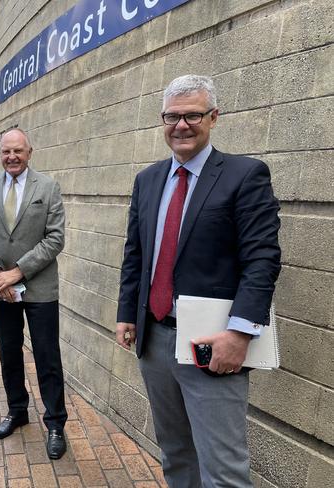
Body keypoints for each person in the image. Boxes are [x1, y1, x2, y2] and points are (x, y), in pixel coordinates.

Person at [116, 74, 281, 487]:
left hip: (213, 344)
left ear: (214, 118)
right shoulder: (148, 180)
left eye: (193, 115)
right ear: (162, 120)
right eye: (173, 116)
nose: (182, 125)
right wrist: (127, 314)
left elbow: (262, 258)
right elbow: (136, 255)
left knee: (223, 470)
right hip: (153, 341)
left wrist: (240, 333)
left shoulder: (244, 176)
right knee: (175, 456)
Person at [0, 128, 68, 459]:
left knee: (46, 357)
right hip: (0, 289)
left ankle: (55, 422)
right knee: (9, 353)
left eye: (18, 151)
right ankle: (17, 411)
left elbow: (55, 239)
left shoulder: (48, 188)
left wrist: (18, 272)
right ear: (1, 154)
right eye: (6, 151)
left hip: (39, 287)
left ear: (30, 152)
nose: (12, 156)